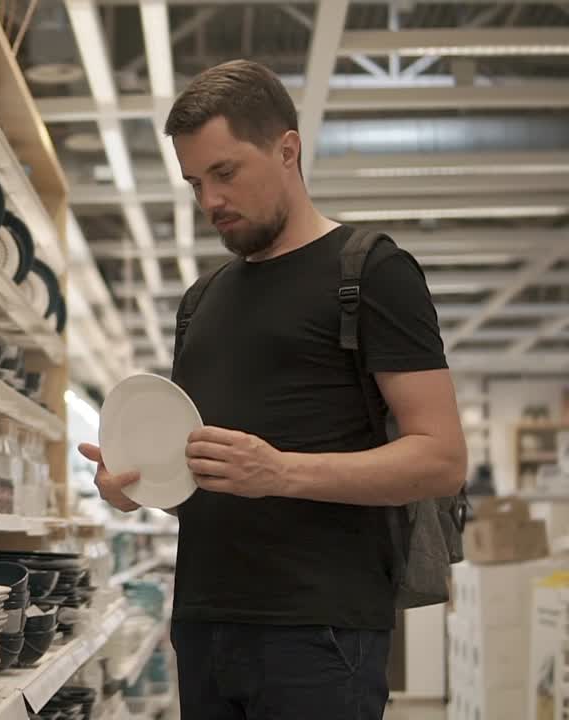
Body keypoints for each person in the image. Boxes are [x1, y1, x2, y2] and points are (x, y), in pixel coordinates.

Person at [77, 60, 467, 719]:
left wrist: (281, 471)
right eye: (195, 183)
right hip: (203, 625)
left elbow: (442, 459)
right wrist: (137, 486)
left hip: (319, 632)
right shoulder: (201, 302)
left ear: (288, 150)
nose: (210, 201)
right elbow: (212, 479)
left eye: (225, 173)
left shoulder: (372, 272)